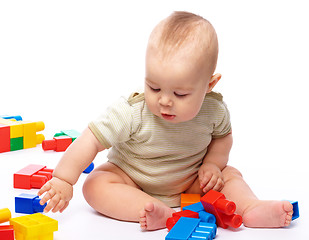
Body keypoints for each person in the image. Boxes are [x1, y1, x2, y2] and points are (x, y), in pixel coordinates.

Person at [38, 11, 293, 231]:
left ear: (209, 85)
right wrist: (64, 179)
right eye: (154, 87)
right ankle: (160, 213)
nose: (165, 101)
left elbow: (224, 137)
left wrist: (213, 165)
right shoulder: (131, 112)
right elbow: (90, 140)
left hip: (192, 183)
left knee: (230, 175)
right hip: (133, 181)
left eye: (180, 94)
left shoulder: (214, 110)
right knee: (95, 184)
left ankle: (250, 207)